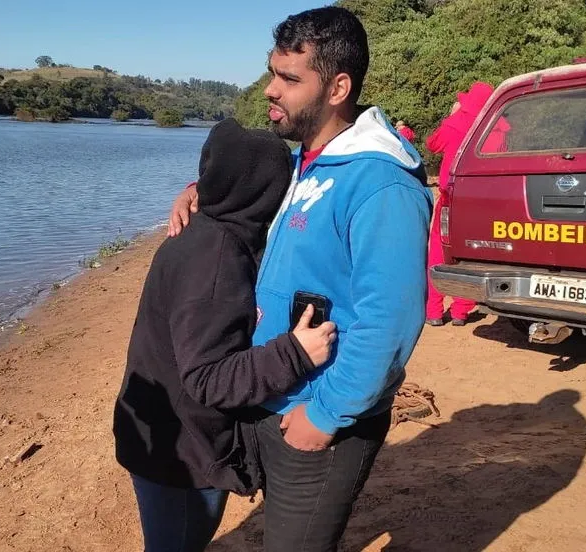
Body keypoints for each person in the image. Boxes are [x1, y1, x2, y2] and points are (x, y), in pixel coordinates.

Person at [168, 7, 432, 550]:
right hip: (274, 391)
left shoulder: (381, 184)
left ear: (337, 87)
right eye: (273, 72)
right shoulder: (306, 162)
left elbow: (390, 317)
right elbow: (244, 182)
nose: (270, 89)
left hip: (322, 412)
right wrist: (199, 189)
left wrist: (328, 414)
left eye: (289, 79)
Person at [113, 118, 338, 552]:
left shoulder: (212, 230)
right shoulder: (216, 261)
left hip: (167, 432)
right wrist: (294, 353)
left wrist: (193, 189)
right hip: (179, 453)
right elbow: (207, 378)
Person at [424, 82, 507, 327]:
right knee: (468, 254)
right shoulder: (499, 127)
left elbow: (432, 144)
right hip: (482, 201)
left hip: (452, 197)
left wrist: (451, 116)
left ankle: (435, 311)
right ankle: (461, 310)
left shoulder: (456, 122)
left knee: (439, 251)